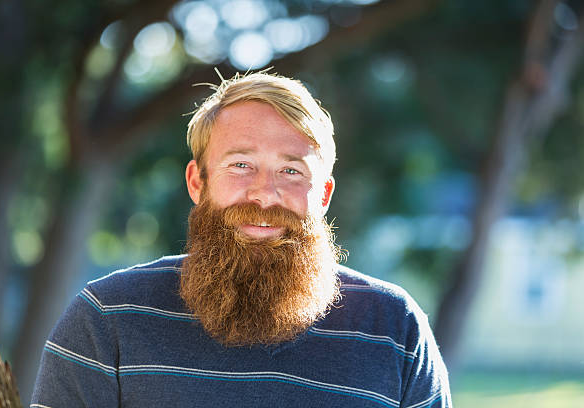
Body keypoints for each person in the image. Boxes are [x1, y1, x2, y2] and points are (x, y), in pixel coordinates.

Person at [31, 72, 452, 407]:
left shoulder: (394, 328)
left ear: (323, 195)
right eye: (241, 165)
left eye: (291, 171)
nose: (265, 194)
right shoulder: (107, 320)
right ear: (198, 182)